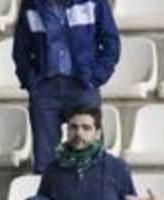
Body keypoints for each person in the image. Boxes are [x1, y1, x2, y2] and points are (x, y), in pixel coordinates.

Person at [13, 0, 120, 172]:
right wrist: (31, 81)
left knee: (90, 161)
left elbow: (111, 42)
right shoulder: (31, 4)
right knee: (45, 163)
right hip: (45, 89)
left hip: (82, 87)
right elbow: (20, 49)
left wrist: (96, 76)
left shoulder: (94, 2)